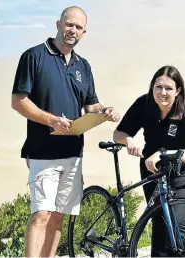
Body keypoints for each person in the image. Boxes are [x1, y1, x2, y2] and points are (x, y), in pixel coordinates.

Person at [11, 6, 120, 257]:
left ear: (84, 33)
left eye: (79, 28)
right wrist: (51, 120)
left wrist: (104, 110)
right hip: (41, 152)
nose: (73, 31)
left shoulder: (84, 65)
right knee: (40, 214)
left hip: (73, 153)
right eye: (69, 25)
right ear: (58, 25)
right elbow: (19, 101)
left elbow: (90, 103)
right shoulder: (34, 56)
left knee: (58, 217)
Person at [113, 65, 185, 257]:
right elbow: (118, 133)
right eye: (158, 87)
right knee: (158, 218)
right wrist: (129, 139)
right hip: (153, 167)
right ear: (152, 87)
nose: (162, 93)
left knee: (177, 219)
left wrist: (164, 154)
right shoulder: (144, 104)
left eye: (168, 88)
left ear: (178, 90)